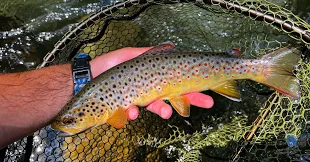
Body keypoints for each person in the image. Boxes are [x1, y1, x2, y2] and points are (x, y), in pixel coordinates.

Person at [0, 47, 214, 149]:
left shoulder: (108, 108)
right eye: (70, 120)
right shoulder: (101, 102)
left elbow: (119, 120)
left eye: (71, 119)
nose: (69, 124)